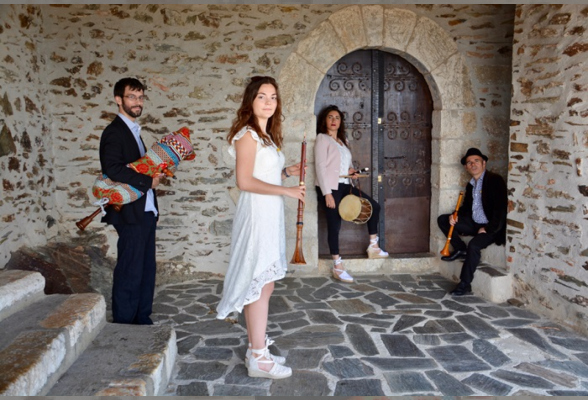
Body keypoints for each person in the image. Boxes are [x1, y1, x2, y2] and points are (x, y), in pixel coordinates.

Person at [216, 76, 304, 379]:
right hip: (256, 215)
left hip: (269, 214)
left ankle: (258, 350)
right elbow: (245, 181)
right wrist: (287, 191)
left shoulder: (266, 136)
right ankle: (257, 357)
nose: (269, 102)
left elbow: (263, 172)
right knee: (257, 282)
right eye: (262, 96)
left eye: (273, 97)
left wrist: (285, 172)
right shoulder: (247, 136)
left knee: (266, 283)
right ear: (251, 101)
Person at [99, 77, 161, 325]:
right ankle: (124, 322)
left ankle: (142, 317)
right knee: (130, 269)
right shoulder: (114, 131)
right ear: (118, 100)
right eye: (131, 97)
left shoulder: (133, 130)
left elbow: (135, 167)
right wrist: (148, 182)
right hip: (128, 212)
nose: (137, 102)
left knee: (146, 268)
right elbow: (112, 168)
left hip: (145, 211)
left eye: (140, 97)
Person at [314, 105, 389, 284]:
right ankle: (337, 266)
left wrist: (351, 171)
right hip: (331, 187)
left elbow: (339, 165)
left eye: (337, 118)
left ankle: (373, 246)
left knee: (373, 207)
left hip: (345, 183)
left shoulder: (342, 141)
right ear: (325, 120)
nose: (334, 120)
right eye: (330, 117)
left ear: (341, 122)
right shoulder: (322, 139)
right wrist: (327, 194)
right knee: (334, 225)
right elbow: (321, 167)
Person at [437, 147, 508, 296]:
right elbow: (467, 208)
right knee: (444, 220)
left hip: (491, 228)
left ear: (484, 163)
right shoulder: (471, 184)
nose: (473, 164)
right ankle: (460, 248)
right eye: (469, 162)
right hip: (475, 223)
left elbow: (500, 210)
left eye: (476, 161)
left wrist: (488, 229)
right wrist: (455, 215)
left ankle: (465, 284)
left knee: (474, 245)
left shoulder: (495, 180)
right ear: (466, 167)